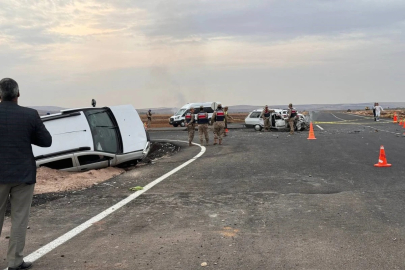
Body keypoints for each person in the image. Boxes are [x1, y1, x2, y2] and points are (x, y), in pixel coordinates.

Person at [0, 78, 52, 270]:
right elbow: (46, 141)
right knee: (19, 219)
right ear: (18, 94)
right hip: (23, 174)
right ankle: (15, 262)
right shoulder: (30, 115)